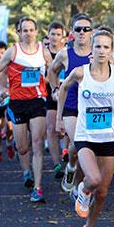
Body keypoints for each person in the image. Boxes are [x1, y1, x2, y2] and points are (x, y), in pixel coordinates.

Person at [57, 29, 114, 227]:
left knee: (102, 192)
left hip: (108, 137)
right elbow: (62, 89)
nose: (102, 51)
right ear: (91, 49)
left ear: (112, 51)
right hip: (85, 136)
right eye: (98, 46)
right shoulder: (80, 73)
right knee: (92, 179)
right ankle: (81, 192)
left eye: (106, 47)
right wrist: (59, 119)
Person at [0, 17, 53, 203]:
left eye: (31, 30)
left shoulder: (43, 51)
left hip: (37, 101)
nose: (28, 33)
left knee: (37, 142)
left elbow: (53, 71)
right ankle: (26, 172)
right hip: (17, 102)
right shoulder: (13, 52)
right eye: (24, 30)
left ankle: (38, 187)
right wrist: (2, 89)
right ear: (18, 33)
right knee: (22, 146)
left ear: (36, 32)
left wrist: (52, 86)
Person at [48, 14, 94, 194]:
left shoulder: (98, 52)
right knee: (78, 143)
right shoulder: (65, 53)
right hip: (71, 106)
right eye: (78, 29)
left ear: (92, 32)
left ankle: (79, 184)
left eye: (86, 29)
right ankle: (72, 169)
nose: (82, 32)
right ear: (72, 32)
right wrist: (55, 88)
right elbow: (52, 71)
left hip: (91, 108)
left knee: (87, 148)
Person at [45, 21, 66, 180]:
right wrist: (53, 87)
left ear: (63, 37)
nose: (55, 37)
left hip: (66, 94)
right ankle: (57, 162)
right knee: (52, 128)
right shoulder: (42, 53)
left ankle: (66, 151)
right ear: (48, 35)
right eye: (53, 34)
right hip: (49, 94)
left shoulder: (67, 53)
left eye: (58, 34)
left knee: (65, 128)